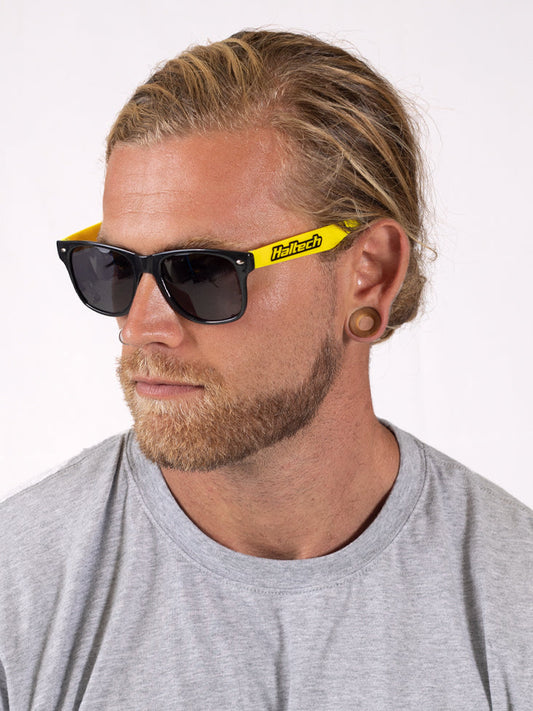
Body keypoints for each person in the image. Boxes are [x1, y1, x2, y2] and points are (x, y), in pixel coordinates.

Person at [1, 29, 531, 710]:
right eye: (115, 268)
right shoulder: (20, 595)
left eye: (201, 271)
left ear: (368, 275)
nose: (139, 326)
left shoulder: (512, 606)